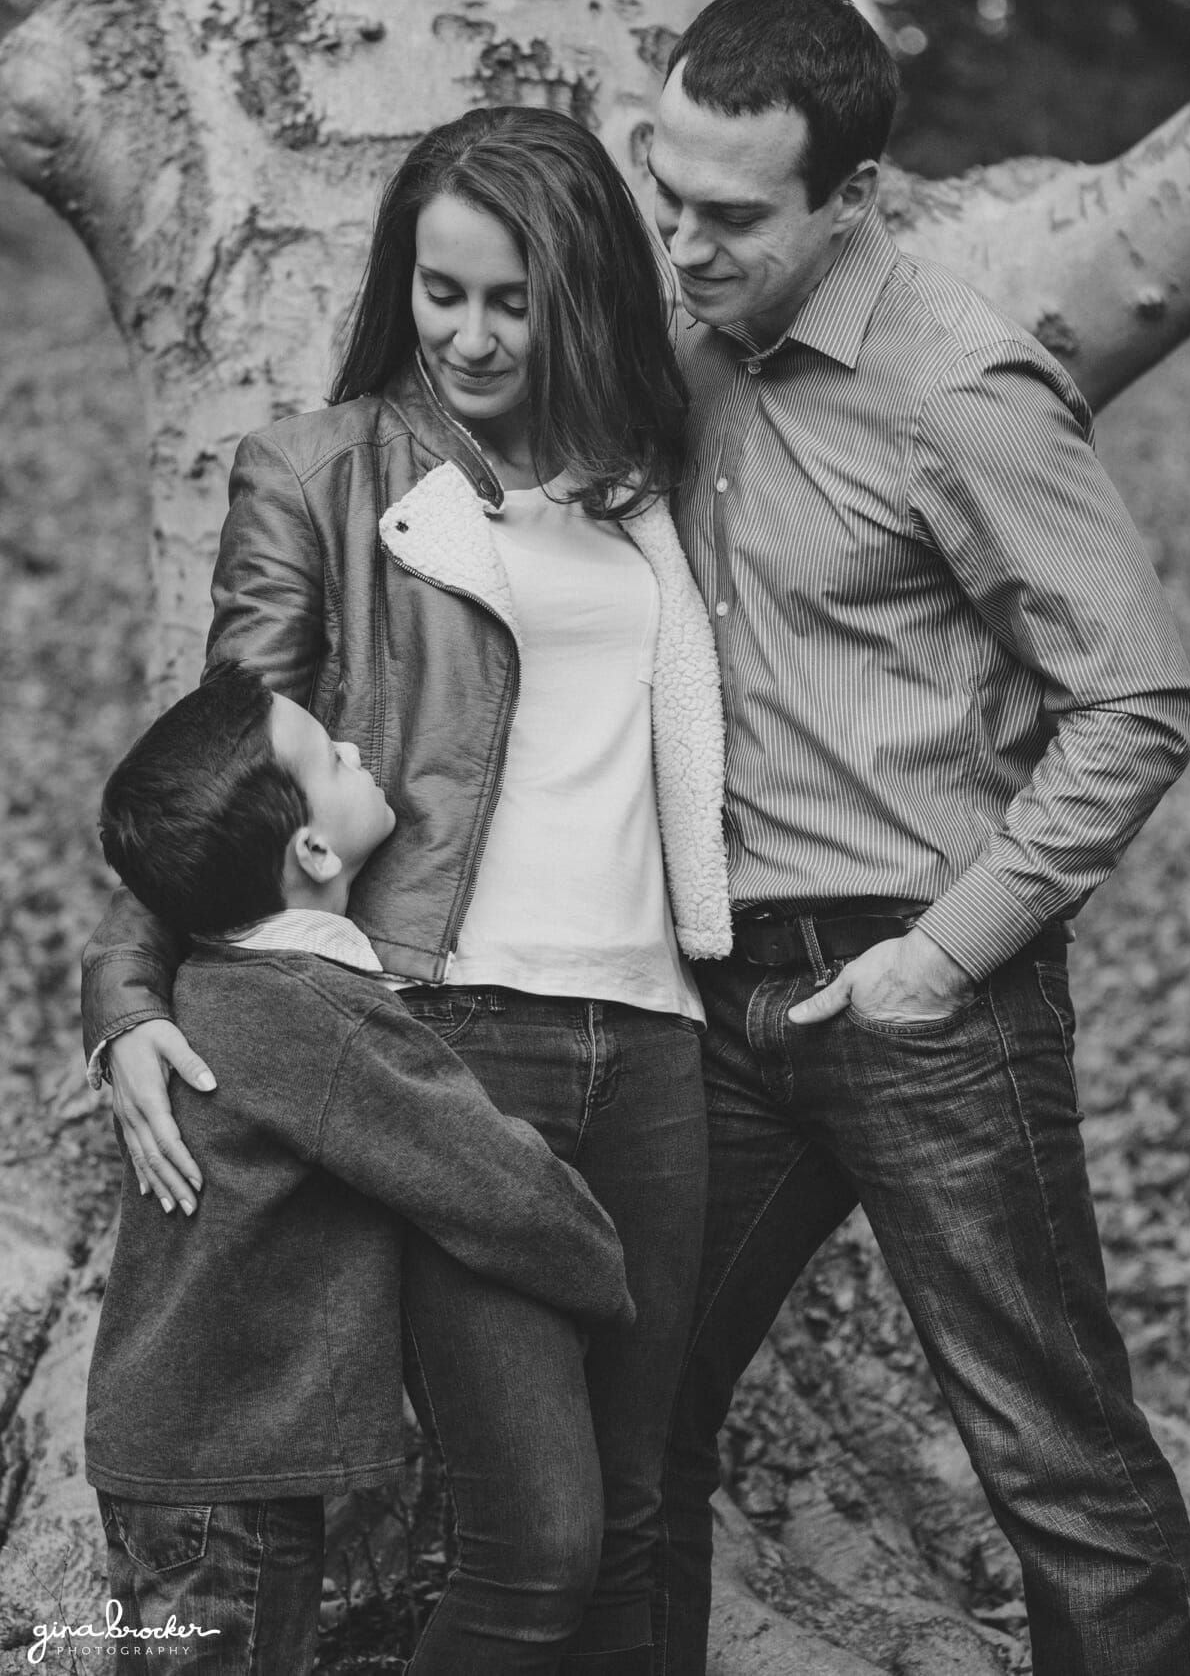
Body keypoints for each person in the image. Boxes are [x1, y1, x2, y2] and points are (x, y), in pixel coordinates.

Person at [80, 106, 732, 1676]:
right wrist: (123, 1001)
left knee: (639, 1517)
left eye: (515, 300)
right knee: (533, 1543)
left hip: (654, 1040)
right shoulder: (319, 472)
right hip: (452, 1027)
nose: (472, 335)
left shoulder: (650, 475)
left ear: (582, 299)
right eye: (442, 292)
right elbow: (222, 763)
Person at [644, 0, 1190, 1676]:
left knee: (1059, 1464)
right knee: (625, 1401)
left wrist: (936, 961)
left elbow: (1141, 703)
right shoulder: (690, 351)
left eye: (734, 215)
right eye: (669, 193)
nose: (686, 242)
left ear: (855, 197)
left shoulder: (959, 385)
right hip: (721, 997)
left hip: (930, 995)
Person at [88, 664, 635, 1674]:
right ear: (311, 847)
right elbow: (486, 1181)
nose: (357, 751)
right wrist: (604, 1270)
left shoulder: (226, 980)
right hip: (223, 1479)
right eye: (332, 756)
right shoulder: (314, 1012)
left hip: (186, 1462)